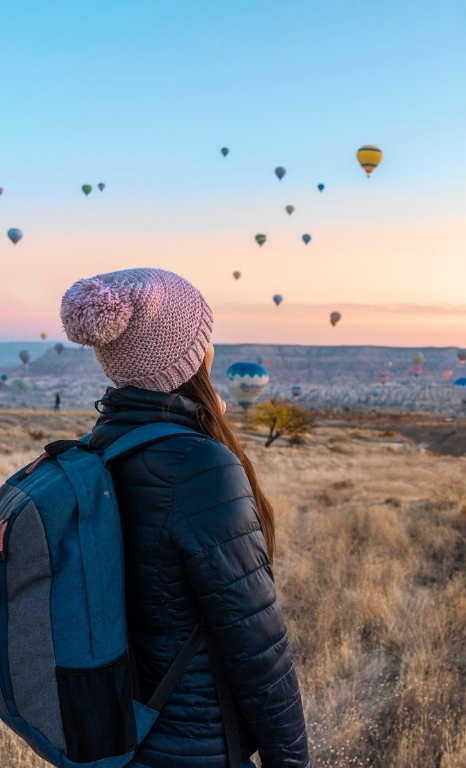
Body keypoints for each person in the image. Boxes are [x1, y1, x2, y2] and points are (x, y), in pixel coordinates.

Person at [60, 268, 309, 768]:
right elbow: (256, 640)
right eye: (205, 336)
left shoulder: (99, 448)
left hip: (115, 735)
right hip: (194, 743)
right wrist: (291, 759)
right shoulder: (198, 465)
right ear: (191, 356)